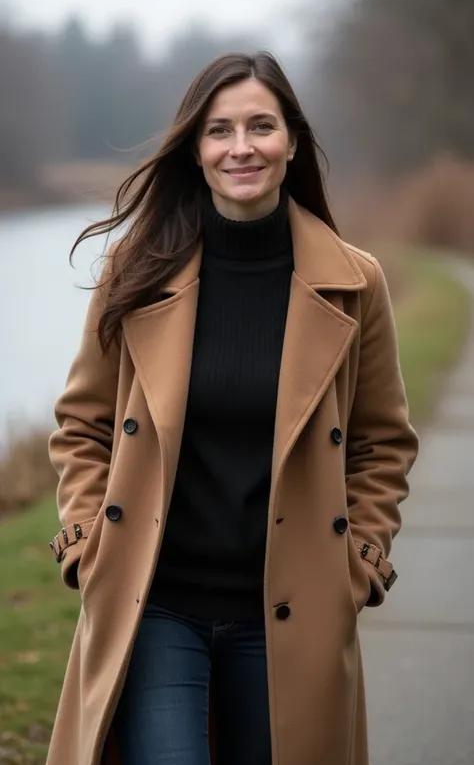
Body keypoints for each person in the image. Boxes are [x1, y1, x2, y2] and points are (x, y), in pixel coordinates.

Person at [46, 51, 419, 765]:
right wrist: (89, 542)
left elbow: (381, 443)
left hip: (292, 614)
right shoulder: (136, 270)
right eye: (219, 130)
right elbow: (82, 424)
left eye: (260, 126)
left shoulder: (355, 281)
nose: (241, 147)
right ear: (195, 148)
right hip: (154, 605)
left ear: (293, 142)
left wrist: (358, 563)